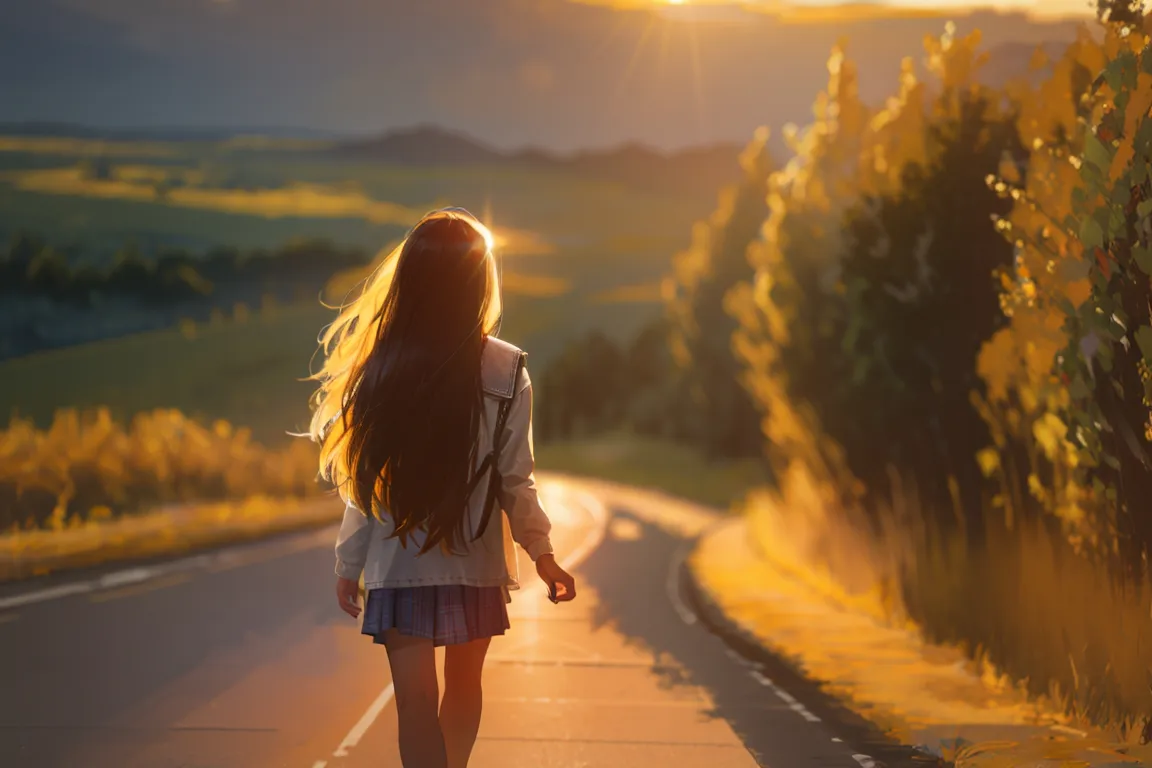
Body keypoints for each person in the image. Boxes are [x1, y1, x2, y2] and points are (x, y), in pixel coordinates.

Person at [306, 207, 577, 768]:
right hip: (474, 562)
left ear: (410, 279)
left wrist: (347, 561)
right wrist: (543, 554)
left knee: (415, 703)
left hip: (397, 565)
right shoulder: (507, 370)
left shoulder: (378, 367)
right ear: (479, 283)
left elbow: (364, 482)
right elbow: (515, 478)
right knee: (463, 689)